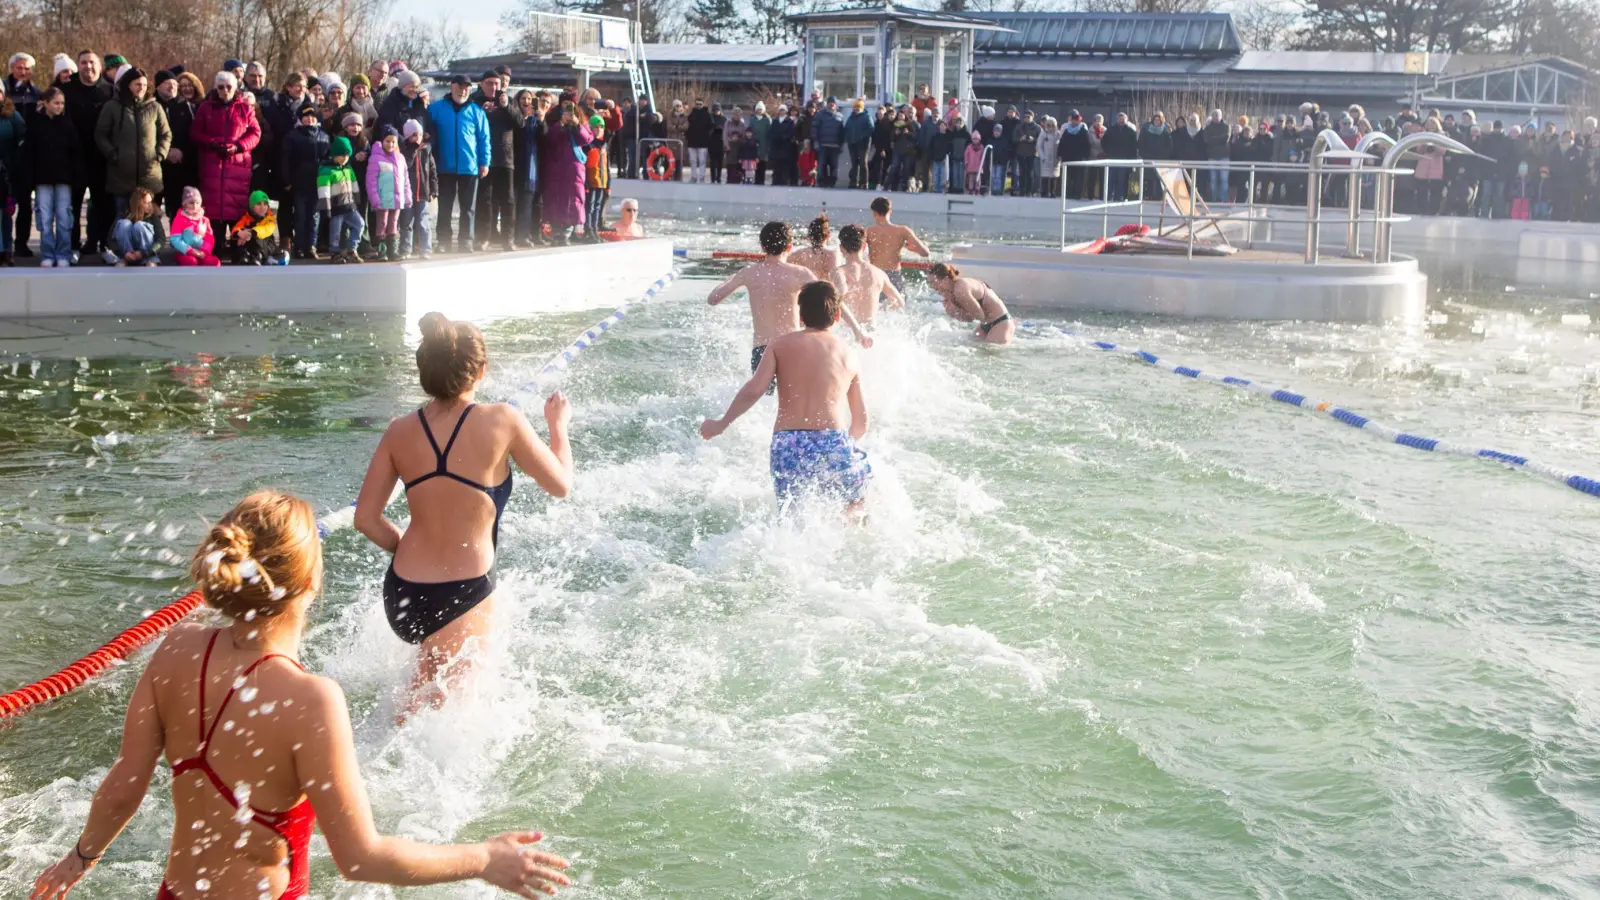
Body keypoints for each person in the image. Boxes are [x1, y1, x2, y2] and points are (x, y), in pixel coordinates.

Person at [30, 490, 573, 900]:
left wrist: (78, 860)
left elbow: (125, 785)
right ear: (311, 582)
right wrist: (482, 859)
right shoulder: (309, 699)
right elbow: (362, 857)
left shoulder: (175, 650)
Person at [355, 314, 574, 714]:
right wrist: (558, 428)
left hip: (402, 590)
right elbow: (560, 485)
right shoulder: (503, 420)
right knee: (453, 718)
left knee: (418, 697)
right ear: (482, 370)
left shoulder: (398, 430)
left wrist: (406, 547)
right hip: (462, 591)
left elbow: (366, 519)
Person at [700, 280, 871, 518]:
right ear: (838, 315)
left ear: (800, 316)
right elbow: (862, 423)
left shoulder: (780, 345)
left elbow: (754, 390)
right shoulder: (848, 354)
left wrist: (721, 423)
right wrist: (839, 448)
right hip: (834, 440)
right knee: (854, 506)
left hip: (789, 444)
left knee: (792, 517)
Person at [707, 221, 816, 393]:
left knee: (764, 406)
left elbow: (713, 299)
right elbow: (828, 300)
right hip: (792, 347)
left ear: (762, 247)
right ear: (789, 247)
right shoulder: (800, 273)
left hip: (762, 351)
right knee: (793, 403)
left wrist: (735, 278)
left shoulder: (749, 272)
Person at [94, 67, 172, 238]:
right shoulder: (112, 107)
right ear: (128, 85)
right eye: (137, 84)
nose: (141, 88)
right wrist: (113, 154)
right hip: (121, 173)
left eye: (144, 84)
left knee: (148, 218)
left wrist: (159, 154)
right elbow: (101, 134)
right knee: (123, 218)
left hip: (149, 174)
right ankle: (123, 251)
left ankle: (148, 252)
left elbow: (165, 134)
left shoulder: (154, 107)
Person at [428, 74, 490, 254]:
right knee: (445, 207)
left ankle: (466, 241)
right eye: (460, 86)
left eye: (467, 87)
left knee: (468, 208)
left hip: (469, 166)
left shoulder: (477, 111)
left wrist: (484, 162)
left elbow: (484, 139)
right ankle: (443, 241)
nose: (463, 90)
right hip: (444, 165)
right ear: (452, 86)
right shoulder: (436, 108)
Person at [191, 71, 261, 230]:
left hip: (237, 165)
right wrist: (212, 143)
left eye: (229, 87)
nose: (225, 90)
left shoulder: (245, 109)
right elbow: (195, 133)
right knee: (213, 210)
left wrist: (239, 146)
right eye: (221, 87)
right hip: (212, 163)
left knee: (237, 211)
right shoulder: (205, 108)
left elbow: (255, 133)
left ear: (235, 87)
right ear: (216, 88)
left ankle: (238, 246)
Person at [64, 50, 115, 257]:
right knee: (73, 206)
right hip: (74, 158)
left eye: (92, 62)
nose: (88, 67)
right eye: (84, 63)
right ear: (78, 66)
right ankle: (73, 246)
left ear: (99, 66)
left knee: (103, 205)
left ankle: (103, 244)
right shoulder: (65, 90)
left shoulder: (110, 91)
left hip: (102, 159)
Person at [28, 87, 83, 268]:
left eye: (62, 103)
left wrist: (76, 177)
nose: (59, 107)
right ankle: (47, 253)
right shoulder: (35, 124)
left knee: (63, 218)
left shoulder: (67, 124)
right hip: (42, 179)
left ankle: (63, 253)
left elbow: (75, 153)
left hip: (63, 180)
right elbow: (30, 153)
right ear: (45, 103)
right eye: (56, 103)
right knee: (44, 218)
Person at [472, 70, 519, 252]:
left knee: (508, 201)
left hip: (505, 158)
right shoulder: (475, 102)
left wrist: (506, 106)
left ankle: (508, 239)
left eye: (496, 84)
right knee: (485, 200)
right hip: (484, 159)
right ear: (482, 84)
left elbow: (519, 123)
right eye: (489, 83)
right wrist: (482, 112)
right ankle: (483, 237)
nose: (493, 87)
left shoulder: (507, 100)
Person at [830, 223, 902, 330]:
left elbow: (841, 293)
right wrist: (882, 311)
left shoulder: (839, 272)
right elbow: (899, 302)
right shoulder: (879, 273)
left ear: (841, 248)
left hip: (848, 331)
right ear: (864, 246)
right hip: (871, 331)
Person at [541, 100, 592, 245]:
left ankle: (566, 233)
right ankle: (556, 232)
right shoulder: (555, 124)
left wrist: (577, 125)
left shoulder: (581, 123)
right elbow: (549, 139)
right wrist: (561, 124)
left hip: (574, 169)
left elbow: (587, 139)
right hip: (556, 168)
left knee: (573, 200)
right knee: (556, 200)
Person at [281, 103, 328, 260]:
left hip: (317, 183)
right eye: (306, 117)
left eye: (313, 117)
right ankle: (299, 246)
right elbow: (285, 160)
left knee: (314, 216)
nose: (309, 119)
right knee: (300, 216)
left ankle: (311, 246)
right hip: (299, 182)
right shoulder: (292, 136)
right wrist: (286, 180)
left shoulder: (324, 136)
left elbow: (327, 159)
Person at [927, 262, 1014, 345]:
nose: (931, 286)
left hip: (1001, 322)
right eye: (929, 283)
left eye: (933, 282)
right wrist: (954, 314)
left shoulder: (960, 289)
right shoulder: (951, 292)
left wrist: (956, 310)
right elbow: (971, 318)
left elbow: (979, 315)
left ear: (945, 279)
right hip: (985, 325)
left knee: (989, 353)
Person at [6, 52, 40, 258]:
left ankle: (21, 243)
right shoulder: (3, 90)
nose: (23, 72)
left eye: (27, 68)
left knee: (25, 205)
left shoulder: (36, 93)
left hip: (27, 158)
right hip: (6, 155)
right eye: (19, 68)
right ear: (12, 68)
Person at [863, 196, 928, 295]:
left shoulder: (868, 231)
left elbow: (857, 252)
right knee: (897, 307)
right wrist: (913, 249)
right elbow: (925, 253)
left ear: (874, 213)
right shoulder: (903, 230)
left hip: (875, 275)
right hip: (894, 276)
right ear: (890, 212)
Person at [319, 135, 364, 263]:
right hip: (336, 207)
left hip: (349, 205)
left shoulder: (348, 168)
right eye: (342, 155)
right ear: (334, 154)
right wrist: (325, 207)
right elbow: (323, 189)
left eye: (347, 156)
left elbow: (354, 184)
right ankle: (335, 252)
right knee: (335, 232)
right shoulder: (326, 170)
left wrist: (356, 199)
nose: (345, 159)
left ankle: (351, 249)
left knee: (360, 224)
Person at [399, 118, 437, 259]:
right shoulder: (403, 151)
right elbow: (404, 167)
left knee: (423, 222)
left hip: (422, 192)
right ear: (408, 136)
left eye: (420, 134)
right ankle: (405, 249)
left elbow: (432, 171)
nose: (418, 138)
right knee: (406, 222)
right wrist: (412, 152)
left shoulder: (426, 150)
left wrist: (434, 189)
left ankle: (425, 249)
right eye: (414, 134)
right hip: (407, 194)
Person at [103, 185, 166, 266]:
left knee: (139, 225)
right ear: (138, 203)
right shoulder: (123, 215)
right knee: (124, 224)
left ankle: (150, 260)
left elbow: (161, 240)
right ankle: (124, 259)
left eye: (151, 202)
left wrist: (146, 253)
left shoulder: (153, 216)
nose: (150, 205)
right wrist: (122, 253)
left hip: (147, 253)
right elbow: (111, 239)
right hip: (126, 254)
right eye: (147, 203)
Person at [228, 189, 282, 264]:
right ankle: (243, 256)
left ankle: (257, 256)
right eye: (259, 204)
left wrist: (252, 232)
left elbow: (266, 229)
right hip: (250, 245)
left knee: (257, 237)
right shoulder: (246, 218)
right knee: (242, 235)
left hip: (266, 247)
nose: (262, 207)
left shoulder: (270, 219)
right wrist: (239, 233)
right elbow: (237, 227)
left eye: (265, 204)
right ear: (252, 207)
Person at [170, 185, 219, 266]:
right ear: (185, 204)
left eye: (197, 203)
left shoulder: (204, 220)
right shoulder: (179, 219)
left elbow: (209, 238)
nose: (195, 206)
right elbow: (175, 239)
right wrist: (190, 251)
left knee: (213, 262)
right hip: (184, 252)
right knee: (191, 262)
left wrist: (205, 251)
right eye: (191, 203)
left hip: (201, 251)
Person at [789, 214, 842, 280]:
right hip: (825, 289)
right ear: (828, 236)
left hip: (806, 290)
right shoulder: (832, 254)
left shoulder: (797, 254)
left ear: (809, 236)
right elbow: (835, 279)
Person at [583, 115, 609, 241]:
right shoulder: (588, 145)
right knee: (590, 206)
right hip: (591, 181)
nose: (598, 130)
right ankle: (588, 229)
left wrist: (608, 184)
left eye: (601, 127)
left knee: (598, 206)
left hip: (602, 181)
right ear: (591, 129)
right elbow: (584, 165)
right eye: (596, 127)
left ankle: (595, 229)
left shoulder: (604, 145)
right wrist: (585, 183)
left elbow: (606, 166)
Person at [844, 98, 873, 190]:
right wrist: (848, 138)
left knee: (863, 163)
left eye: (858, 107)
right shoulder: (851, 117)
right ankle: (854, 182)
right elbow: (847, 129)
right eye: (855, 107)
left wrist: (862, 136)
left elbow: (871, 129)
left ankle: (864, 183)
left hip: (863, 144)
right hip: (852, 143)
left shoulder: (866, 117)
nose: (856, 109)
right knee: (854, 164)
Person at [685, 98, 713, 184]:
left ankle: (701, 178)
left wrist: (707, 137)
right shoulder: (691, 115)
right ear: (695, 104)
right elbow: (686, 127)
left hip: (703, 143)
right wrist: (688, 137)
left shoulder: (707, 115)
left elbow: (711, 127)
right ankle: (693, 177)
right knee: (693, 161)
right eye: (697, 104)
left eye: (700, 104)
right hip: (692, 142)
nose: (699, 106)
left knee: (702, 161)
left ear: (703, 104)